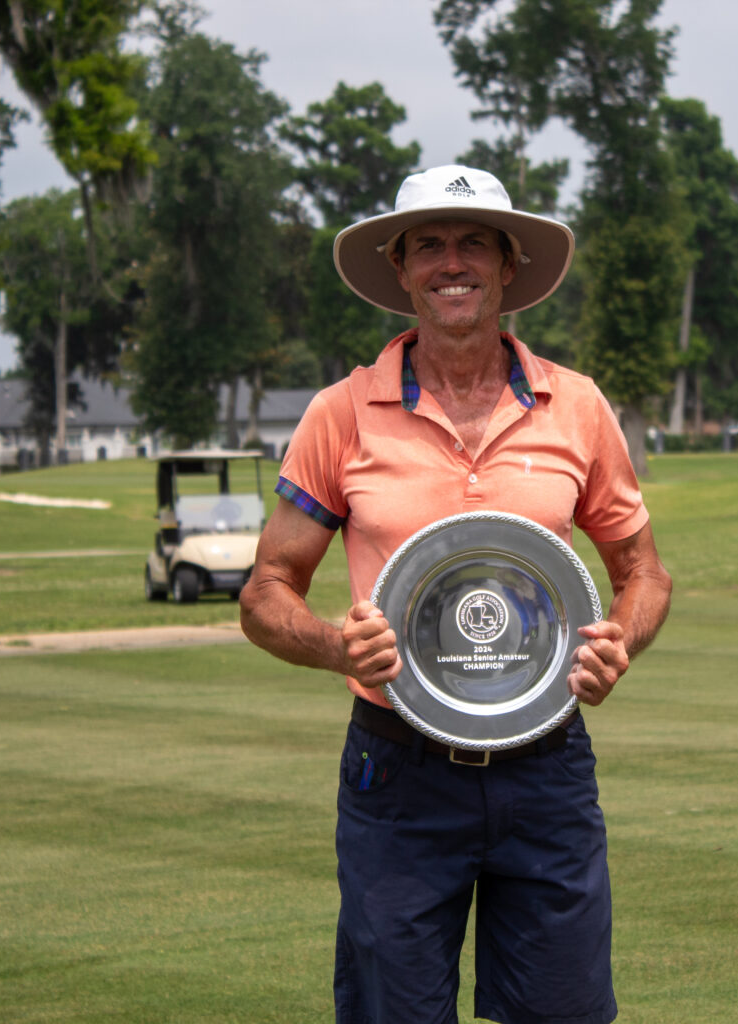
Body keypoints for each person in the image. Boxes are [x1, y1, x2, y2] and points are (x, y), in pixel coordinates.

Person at [239, 164, 672, 1024]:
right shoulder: (341, 413)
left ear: (509, 264)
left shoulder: (575, 405)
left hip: (546, 767)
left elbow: (644, 572)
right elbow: (265, 590)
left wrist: (621, 637)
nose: (452, 262)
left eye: (473, 240)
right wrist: (334, 645)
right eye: (428, 244)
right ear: (399, 270)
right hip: (397, 769)